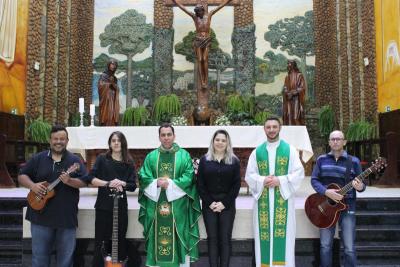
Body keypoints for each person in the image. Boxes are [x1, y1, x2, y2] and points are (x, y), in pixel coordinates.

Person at [18, 125, 87, 267]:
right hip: (39, 216)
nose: (58, 141)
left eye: (62, 139)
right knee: (39, 259)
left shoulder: (75, 161)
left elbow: (85, 182)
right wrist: (33, 186)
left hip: (66, 218)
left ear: (67, 141)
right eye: (55, 139)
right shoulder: (38, 158)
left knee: (65, 261)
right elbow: (22, 176)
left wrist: (70, 180)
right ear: (50, 141)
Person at [138, 123, 201, 267]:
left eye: (169, 134)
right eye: (163, 135)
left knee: (179, 234)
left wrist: (170, 184)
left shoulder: (183, 155)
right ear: (159, 137)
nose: (166, 138)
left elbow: (189, 177)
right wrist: (156, 183)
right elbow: (143, 176)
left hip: (178, 207)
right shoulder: (151, 156)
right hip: (156, 205)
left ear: (174, 136)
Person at [245, 117, 305, 267]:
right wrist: (263, 180)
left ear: (280, 128)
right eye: (268, 127)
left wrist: (280, 181)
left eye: (274, 127)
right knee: (263, 239)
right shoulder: (257, 152)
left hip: (283, 200)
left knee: (285, 239)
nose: (271, 130)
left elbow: (299, 173)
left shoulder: (290, 150)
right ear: (264, 129)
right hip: (263, 202)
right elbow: (249, 175)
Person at [81, 131, 137, 267]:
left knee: (120, 240)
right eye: (113, 140)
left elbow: (133, 186)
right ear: (110, 143)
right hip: (103, 206)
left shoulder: (128, 162)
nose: (116, 143)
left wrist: (122, 183)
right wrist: (107, 183)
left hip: (121, 207)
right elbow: (89, 178)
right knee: (101, 241)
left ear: (123, 143)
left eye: (119, 140)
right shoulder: (102, 159)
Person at [311, 130, 364, 267]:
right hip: (326, 206)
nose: (335, 141)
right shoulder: (321, 160)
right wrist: (326, 192)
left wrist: (360, 187)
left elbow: (362, 186)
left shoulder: (354, 161)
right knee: (325, 245)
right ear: (329, 142)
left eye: (338, 139)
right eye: (332, 139)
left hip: (348, 207)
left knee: (349, 248)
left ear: (344, 142)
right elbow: (314, 180)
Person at [197, 129, 241, 267]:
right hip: (208, 205)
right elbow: (200, 184)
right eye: (217, 140)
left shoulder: (234, 161)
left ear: (227, 142)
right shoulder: (204, 160)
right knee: (212, 239)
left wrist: (224, 203)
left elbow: (236, 185)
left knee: (225, 239)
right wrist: (210, 203)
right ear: (213, 141)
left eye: (223, 140)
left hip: (227, 206)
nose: (220, 143)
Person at [172, 0, 233, 89]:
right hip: (197, 40)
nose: (198, 13)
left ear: (203, 10)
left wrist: (228, 1)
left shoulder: (209, 15)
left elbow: (220, 6)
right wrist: (175, 2)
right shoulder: (195, 17)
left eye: (199, 11)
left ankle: (205, 79)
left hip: (207, 40)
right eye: (197, 12)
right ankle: (202, 81)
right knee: (199, 59)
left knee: (205, 59)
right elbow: (184, 9)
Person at [282, 60, 306, 125]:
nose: (288, 65)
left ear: (293, 65)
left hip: (296, 100)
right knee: (288, 116)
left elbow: (302, 87)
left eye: (290, 64)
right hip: (289, 100)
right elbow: (285, 87)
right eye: (288, 64)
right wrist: (287, 92)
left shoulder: (299, 75)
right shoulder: (287, 77)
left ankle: (299, 133)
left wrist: (292, 93)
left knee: (296, 117)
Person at [98, 59, 120, 126]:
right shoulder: (103, 76)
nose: (113, 66)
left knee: (113, 113)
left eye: (115, 65)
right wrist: (109, 84)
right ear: (108, 65)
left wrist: (113, 85)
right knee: (107, 113)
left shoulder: (115, 78)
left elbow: (117, 88)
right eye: (112, 64)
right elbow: (100, 86)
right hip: (106, 99)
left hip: (113, 99)